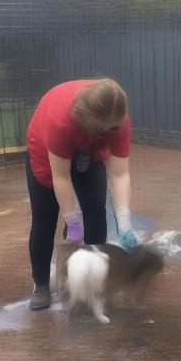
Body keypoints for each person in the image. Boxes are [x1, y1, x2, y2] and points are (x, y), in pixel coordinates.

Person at [25, 78, 139, 310]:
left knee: (96, 209)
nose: (118, 129)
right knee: (44, 219)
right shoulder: (60, 121)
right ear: (92, 124)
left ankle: (91, 280)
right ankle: (42, 284)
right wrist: (72, 222)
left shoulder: (117, 118)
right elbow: (61, 177)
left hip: (91, 151)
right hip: (47, 156)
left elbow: (119, 174)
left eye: (118, 126)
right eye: (112, 128)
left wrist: (124, 221)